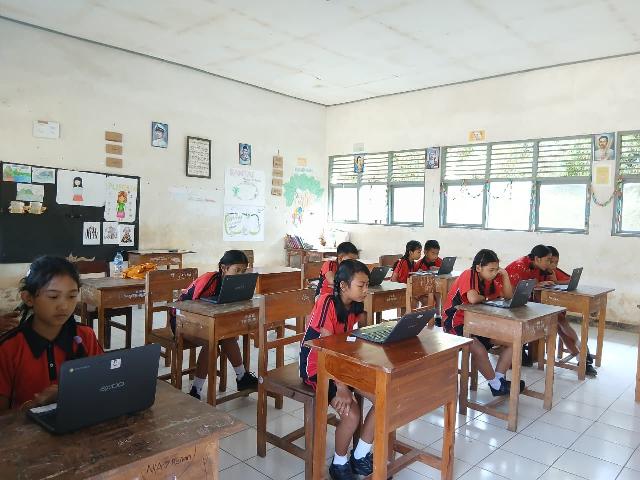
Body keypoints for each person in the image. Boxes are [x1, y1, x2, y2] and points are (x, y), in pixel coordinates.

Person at [300, 260, 376, 479]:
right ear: (343, 285)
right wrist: (341, 387)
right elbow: (326, 348)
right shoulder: (327, 301)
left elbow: (359, 338)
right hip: (318, 367)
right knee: (352, 416)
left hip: (342, 364)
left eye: (367, 285)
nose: (366, 290)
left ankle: (360, 456)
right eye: (361, 285)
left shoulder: (355, 305)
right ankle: (339, 463)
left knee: (384, 399)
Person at [0, 256, 103, 411]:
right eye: (53, 296)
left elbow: (102, 383)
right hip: (27, 426)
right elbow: (3, 418)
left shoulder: (85, 336)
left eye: (72, 296)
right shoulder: (8, 348)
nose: (64, 306)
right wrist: (33, 407)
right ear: (28, 298)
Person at [170, 250, 258, 400]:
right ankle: (195, 390)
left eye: (243, 271)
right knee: (211, 342)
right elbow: (191, 308)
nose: (240, 274)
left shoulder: (233, 284)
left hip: (208, 321)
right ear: (224, 268)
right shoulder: (208, 279)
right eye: (237, 270)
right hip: (182, 319)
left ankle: (242, 377)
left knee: (228, 336)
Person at [443, 249, 523, 396]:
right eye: (491, 270)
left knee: (513, 343)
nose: (494, 273)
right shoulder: (469, 274)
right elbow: (473, 298)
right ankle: (496, 385)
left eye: (496, 270)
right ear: (479, 267)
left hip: (478, 323)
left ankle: (498, 380)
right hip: (455, 322)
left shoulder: (489, 280)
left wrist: (505, 275)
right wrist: (486, 298)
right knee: (479, 350)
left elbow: (507, 296)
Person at [498, 245, 555, 366]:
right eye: (548, 260)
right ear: (537, 259)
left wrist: (539, 284)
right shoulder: (520, 266)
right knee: (523, 316)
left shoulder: (535, 266)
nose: (549, 263)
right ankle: (513, 349)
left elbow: (529, 284)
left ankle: (523, 348)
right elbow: (510, 293)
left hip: (519, 300)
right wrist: (535, 286)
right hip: (503, 299)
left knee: (538, 314)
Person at [545, 246, 597, 376]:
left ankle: (581, 357)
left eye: (556, 262)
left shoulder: (554, 271)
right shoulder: (541, 271)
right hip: (543, 309)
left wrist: (557, 281)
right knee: (560, 324)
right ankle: (582, 350)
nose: (553, 265)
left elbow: (570, 280)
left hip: (555, 307)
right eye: (551, 262)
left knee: (560, 327)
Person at [414, 240, 444, 324]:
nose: (435, 256)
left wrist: (438, 269)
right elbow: (415, 280)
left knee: (438, 292)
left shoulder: (439, 261)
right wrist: (419, 273)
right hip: (422, 289)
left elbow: (445, 271)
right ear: (425, 252)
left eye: (437, 253)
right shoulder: (419, 264)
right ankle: (430, 317)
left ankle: (438, 316)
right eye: (433, 253)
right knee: (436, 293)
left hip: (435, 288)